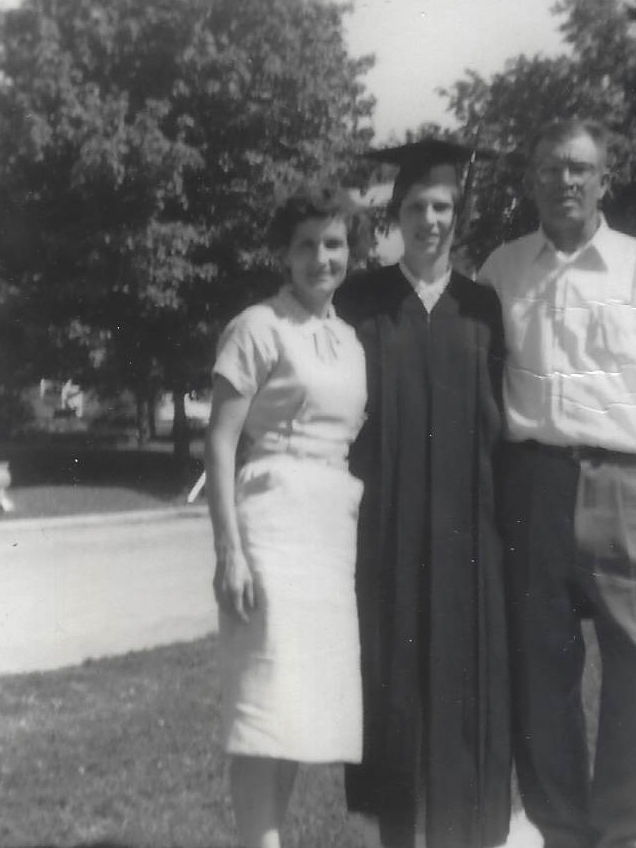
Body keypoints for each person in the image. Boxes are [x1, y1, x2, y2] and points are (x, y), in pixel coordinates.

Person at [478, 119, 636, 848]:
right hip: (531, 489)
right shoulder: (501, 271)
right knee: (542, 678)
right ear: (531, 182)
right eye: (549, 168)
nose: (565, 181)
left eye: (579, 168)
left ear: (606, 179)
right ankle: (564, 833)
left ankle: (630, 835)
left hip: (624, 490)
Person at [336, 139, 512, 848]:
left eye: (442, 206)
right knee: (394, 694)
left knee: (466, 695)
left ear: (458, 214)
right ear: (395, 214)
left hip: (471, 539)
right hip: (384, 535)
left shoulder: (483, 307)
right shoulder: (359, 302)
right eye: (416, 206)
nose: (430, 219)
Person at [205, 186, 369, 848]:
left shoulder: (350, 339)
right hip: (271, 521)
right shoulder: (256, 326)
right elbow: (220, 442)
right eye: (306, 245)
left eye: (333, 244)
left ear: (349, 252)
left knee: (299, 710)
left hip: (331, 529)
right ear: (284, 253)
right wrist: (230, 550)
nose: (320, 258)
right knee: (264, 704)